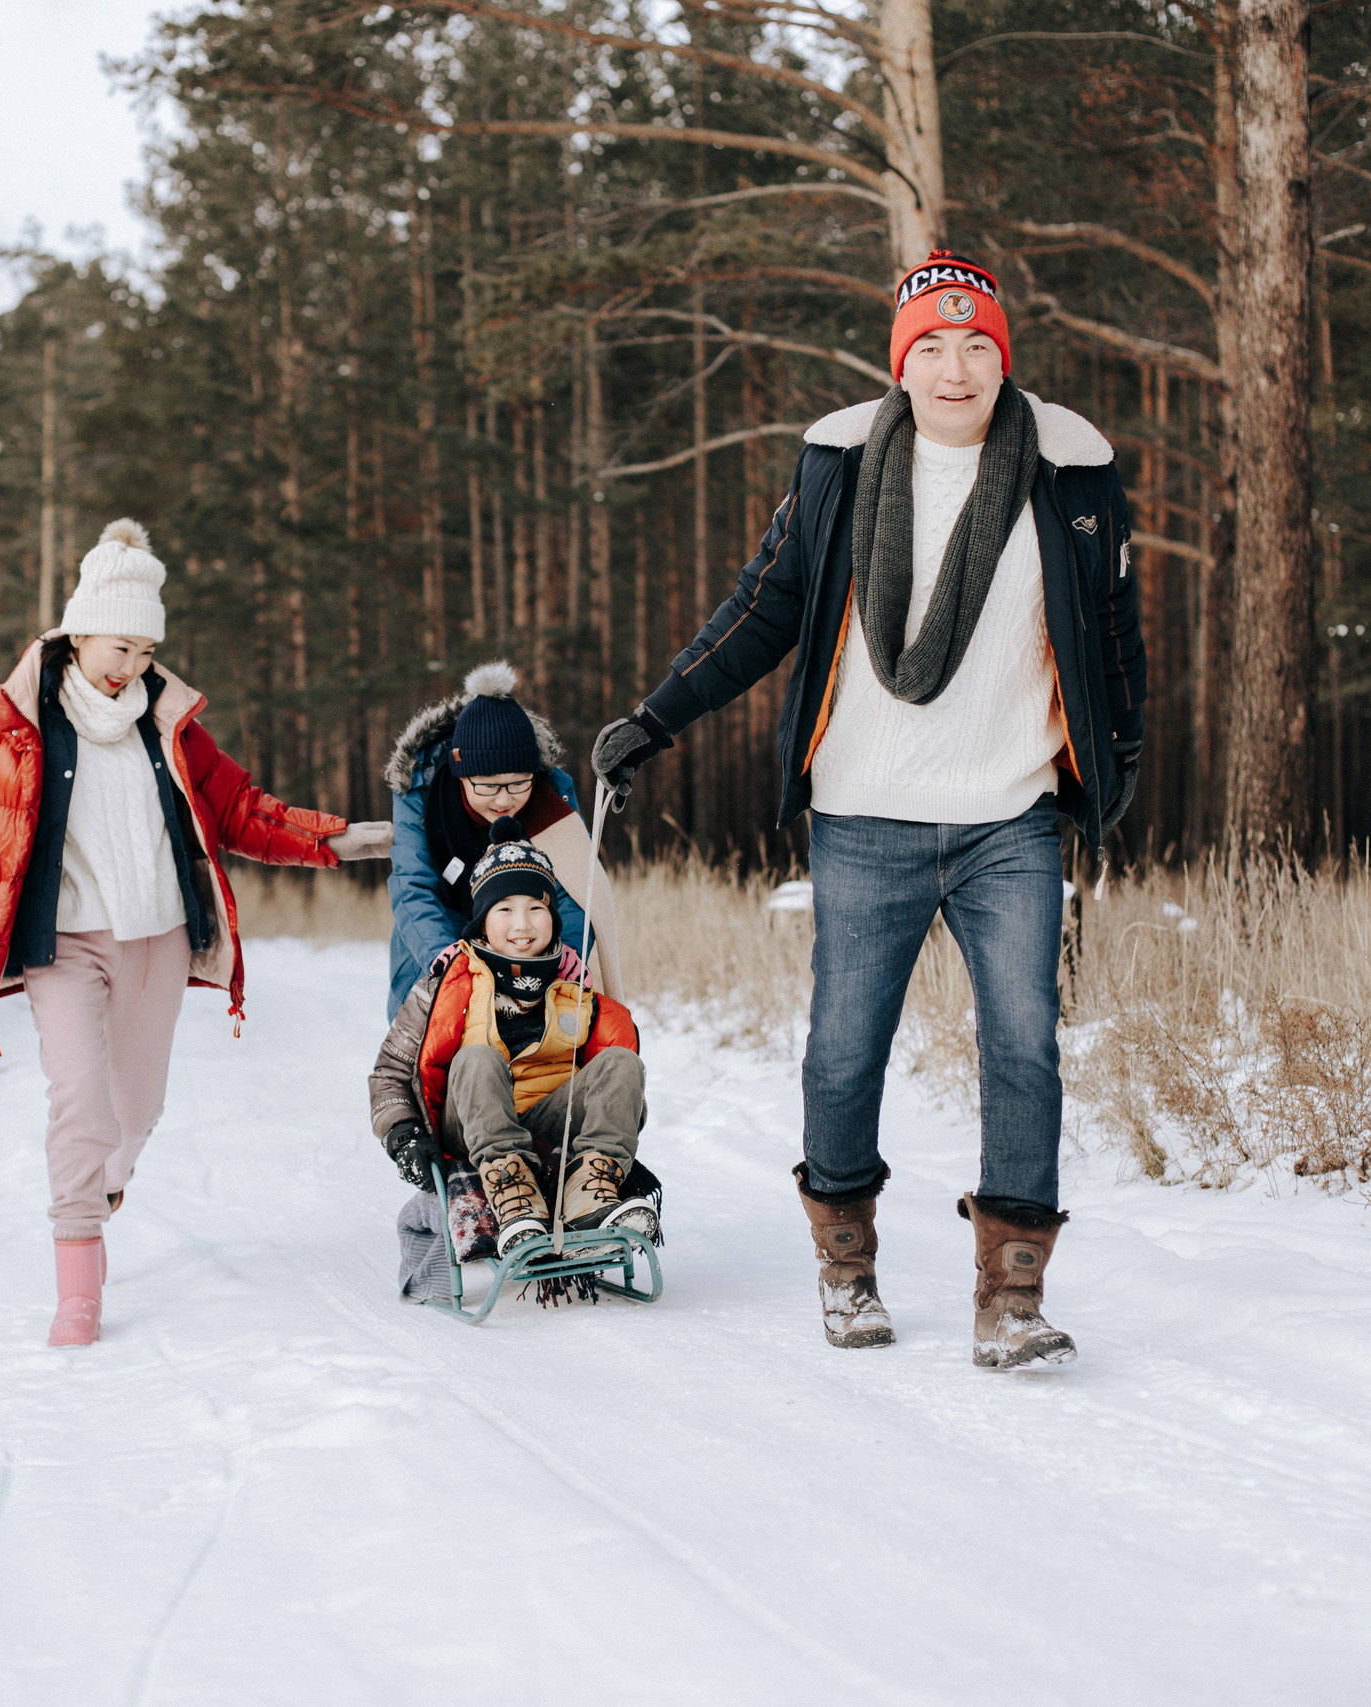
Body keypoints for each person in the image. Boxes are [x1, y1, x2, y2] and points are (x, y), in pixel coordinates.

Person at [589, 251, 1146, 1368]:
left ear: (1003, 359)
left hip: (1011, 814)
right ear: (901, 364)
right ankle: (846, 1265)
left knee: (1025, 1046)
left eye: (977, 345)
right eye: (931, 347)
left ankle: (1012, 1293)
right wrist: (654, 717)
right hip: (864, 815)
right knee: (845, 1051)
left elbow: (1114, 637)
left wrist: (1115, 769)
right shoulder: (839, 467)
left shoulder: (1071, 472)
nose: (955, 369)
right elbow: (760, 611)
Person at [0, 519, 390, 1347]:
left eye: (145, 650)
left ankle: (103, 1189)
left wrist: (340, 839)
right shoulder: (12, 719)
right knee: (81, 1101)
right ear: (79, 630)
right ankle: (76, 1285)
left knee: (136, 1111)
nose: (130, 665)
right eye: (119, 646)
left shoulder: (168, 724)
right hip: (61, 940)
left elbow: (244, 810)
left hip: (156, 937)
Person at [369, 819, 652, 1246]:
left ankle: (589, 1190)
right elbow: (390, 1071)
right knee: (478, 1057)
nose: (523, 924)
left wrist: (619, 1101)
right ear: (482, 920)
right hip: (472, 1121)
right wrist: (401, 1132)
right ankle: (513, 1191)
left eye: (537, 908)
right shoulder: (447, 984)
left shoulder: (575, 984)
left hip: (551, 1115)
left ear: (553, 917)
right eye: (504, 910)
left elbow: (614, 1087)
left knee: (621, 1063)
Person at [382, 661, 622, 1017]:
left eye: (517, 783)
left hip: (528, 941)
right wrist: (441, 956)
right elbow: (412, 885)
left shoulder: (550, 794)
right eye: (488, 786)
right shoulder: (420, 791)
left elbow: (576, 886)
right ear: (461, 776)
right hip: (442, 933)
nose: (504, 800)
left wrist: (565, 952)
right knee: (438, 1029)